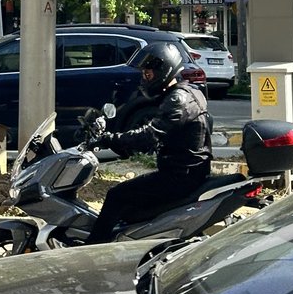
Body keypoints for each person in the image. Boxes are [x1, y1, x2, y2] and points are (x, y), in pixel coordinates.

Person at [83, 41, 212, 245]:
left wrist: (108, 138)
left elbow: (149, 136)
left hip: (180, 177)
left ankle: (91, 250)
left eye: (148, 74)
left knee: (116, 196)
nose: (144, 79)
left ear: (164, 70)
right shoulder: (189, 92)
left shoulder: (177, 100)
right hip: (188, 171)